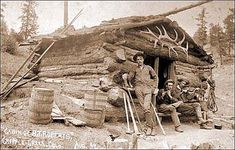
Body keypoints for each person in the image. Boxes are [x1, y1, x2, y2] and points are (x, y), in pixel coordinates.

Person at [124, 52, 158, 136]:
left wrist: (154, 87)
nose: (139, 60)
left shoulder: (149, 68)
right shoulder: (134, 69)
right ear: (136, 61)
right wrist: (125, 77)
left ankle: (151, 127)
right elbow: (130, 78)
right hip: (138, 89)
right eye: (137, 59)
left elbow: (155, 77)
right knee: (145, 109)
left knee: (146, 108)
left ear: (143, 59)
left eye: (141, 59)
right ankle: (150, 127)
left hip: (148, 89)